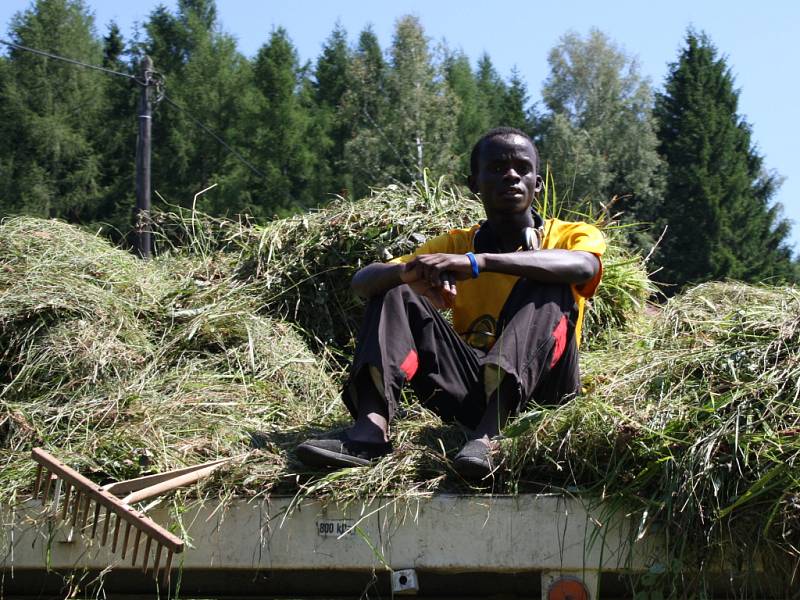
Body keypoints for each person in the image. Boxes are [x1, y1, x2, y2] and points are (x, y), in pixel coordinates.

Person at [296, 127, 606, 480]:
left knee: (549, 281)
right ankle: (369, 433)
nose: (511, 176)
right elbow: (363, 282)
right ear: (474, 183)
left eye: (523, 168)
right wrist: (414, 274)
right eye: (497, 168)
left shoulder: (569, 234)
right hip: (471, 390)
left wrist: (479, 263)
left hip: (543, 393)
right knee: (396, 287)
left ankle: (491, 437)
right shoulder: (454, 245)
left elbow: (584, 266)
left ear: (537, 184)